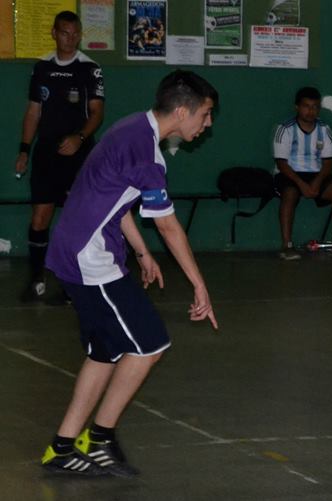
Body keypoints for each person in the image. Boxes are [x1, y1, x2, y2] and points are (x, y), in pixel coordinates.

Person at [39, 70, 220, 476]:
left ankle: (63, 447)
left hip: (74, 248)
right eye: (205, 114)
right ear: (182, 111)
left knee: (105, 351)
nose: (207, 124)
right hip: (89, 257)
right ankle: (99, 437)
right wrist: (199, 285)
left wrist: (141, 252)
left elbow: (114, 199)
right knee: (150, 344)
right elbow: (168, 227)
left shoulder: (131, 127)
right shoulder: (147, 154)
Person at [14, 10, 104, 302]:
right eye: (65, 33)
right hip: (46, 154)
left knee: (74, 220)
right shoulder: (41, 67)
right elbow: (33, 112)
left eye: (76, 34)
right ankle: (36, 279)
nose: (70, 38)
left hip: (78, 154)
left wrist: (79, 138)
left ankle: (71, 285)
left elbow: (97, 113)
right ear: (54, 33)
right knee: (40, 217)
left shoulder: (89, 68)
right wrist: (24, 149)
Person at [273, 86, 332, 260]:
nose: (311, 111)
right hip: (290, 174)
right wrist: (302, 185)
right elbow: (281, 163)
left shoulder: (324, 129)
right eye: (306, 106)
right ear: (297, 107)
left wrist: (316, 182)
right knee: (290, 194)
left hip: (317, 174)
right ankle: (287, 246)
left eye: (315, 107)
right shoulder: (285, 129)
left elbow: (328, 163)